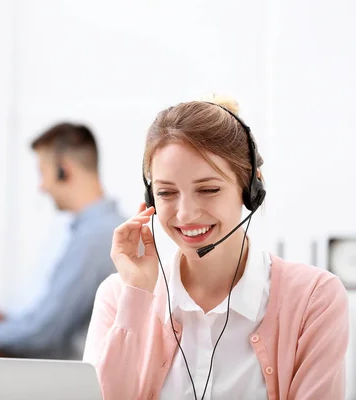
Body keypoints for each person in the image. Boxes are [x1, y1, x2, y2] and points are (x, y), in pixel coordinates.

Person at [82, 96, 349, 400]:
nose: (185, 214)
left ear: (250, 189)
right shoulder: (119, 296)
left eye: (208, 189)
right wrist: (137, 297)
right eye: (167, 193)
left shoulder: (313, 299)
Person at [0, 122, 126, 360]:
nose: (42, 187)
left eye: (42, 172)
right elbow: (53, 320)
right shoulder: (102, 230)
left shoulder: (95, 238)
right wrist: (10, 323)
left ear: (63, 170)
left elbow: (44, 333)